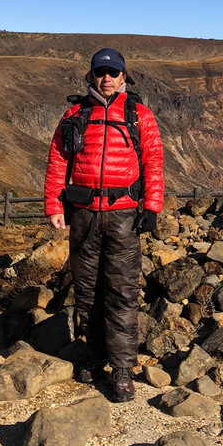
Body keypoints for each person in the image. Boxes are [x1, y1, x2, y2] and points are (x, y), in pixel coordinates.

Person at [44, 47, 164, 402]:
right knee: (87, 290)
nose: (107, 78)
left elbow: (153, 161)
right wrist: (54, 204)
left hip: (124, 214)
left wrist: (152, 205)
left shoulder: (139, 116)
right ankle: (95, 355)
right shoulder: (75, 115)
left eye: (113, 73)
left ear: (124, 77)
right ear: (91, 76)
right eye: (100, 72)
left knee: (122, 291)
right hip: (82, 215)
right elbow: (57, 161)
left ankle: (123, 369)